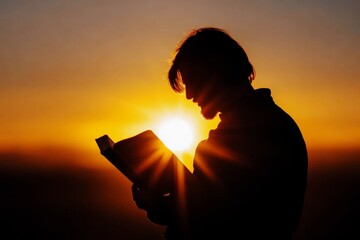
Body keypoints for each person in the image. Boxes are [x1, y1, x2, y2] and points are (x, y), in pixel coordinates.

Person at [131, 27, 308, 239]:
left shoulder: (250, 136)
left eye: (192, 82)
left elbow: (224, 223)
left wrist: (158, 205)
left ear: (216, 73)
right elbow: (216, 208)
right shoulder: (278, 124)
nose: (189, 95)